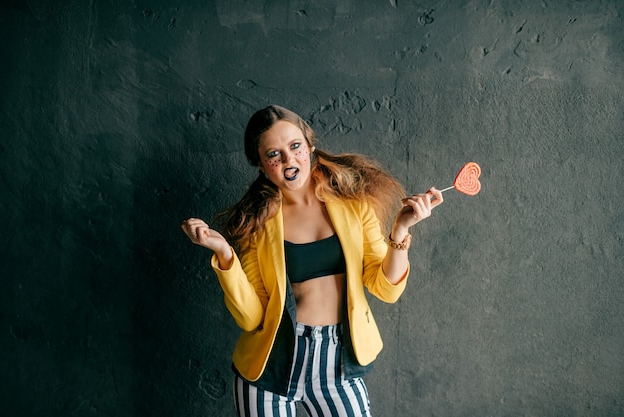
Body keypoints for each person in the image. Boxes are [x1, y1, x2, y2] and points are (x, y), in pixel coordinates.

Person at [181, 105, 443, 417]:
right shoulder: (256, 224)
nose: (289, 160)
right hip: (272, 368)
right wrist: (224, 254)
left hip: (337, 362)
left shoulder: (353, 204)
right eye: (274, 155)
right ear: (262, 166)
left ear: (310, 146)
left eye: (295, 147)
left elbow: (386, 289)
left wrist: (400, 229)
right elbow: (252, 318)